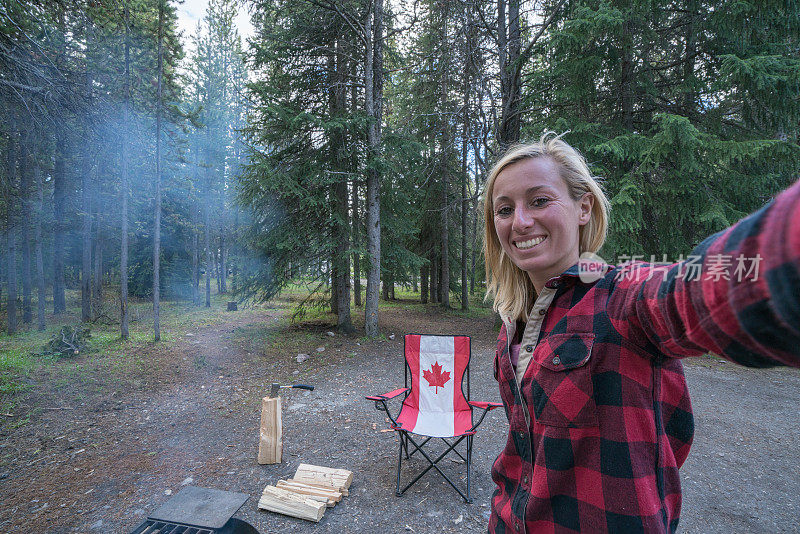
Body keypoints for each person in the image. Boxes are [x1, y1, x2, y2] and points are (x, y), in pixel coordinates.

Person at [482, 132, 800, 533]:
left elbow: (698, 292)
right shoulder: (513, 323)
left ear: (584, 208)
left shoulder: (623, 299)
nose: (520, 221)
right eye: (504, 209)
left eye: (540, 200)